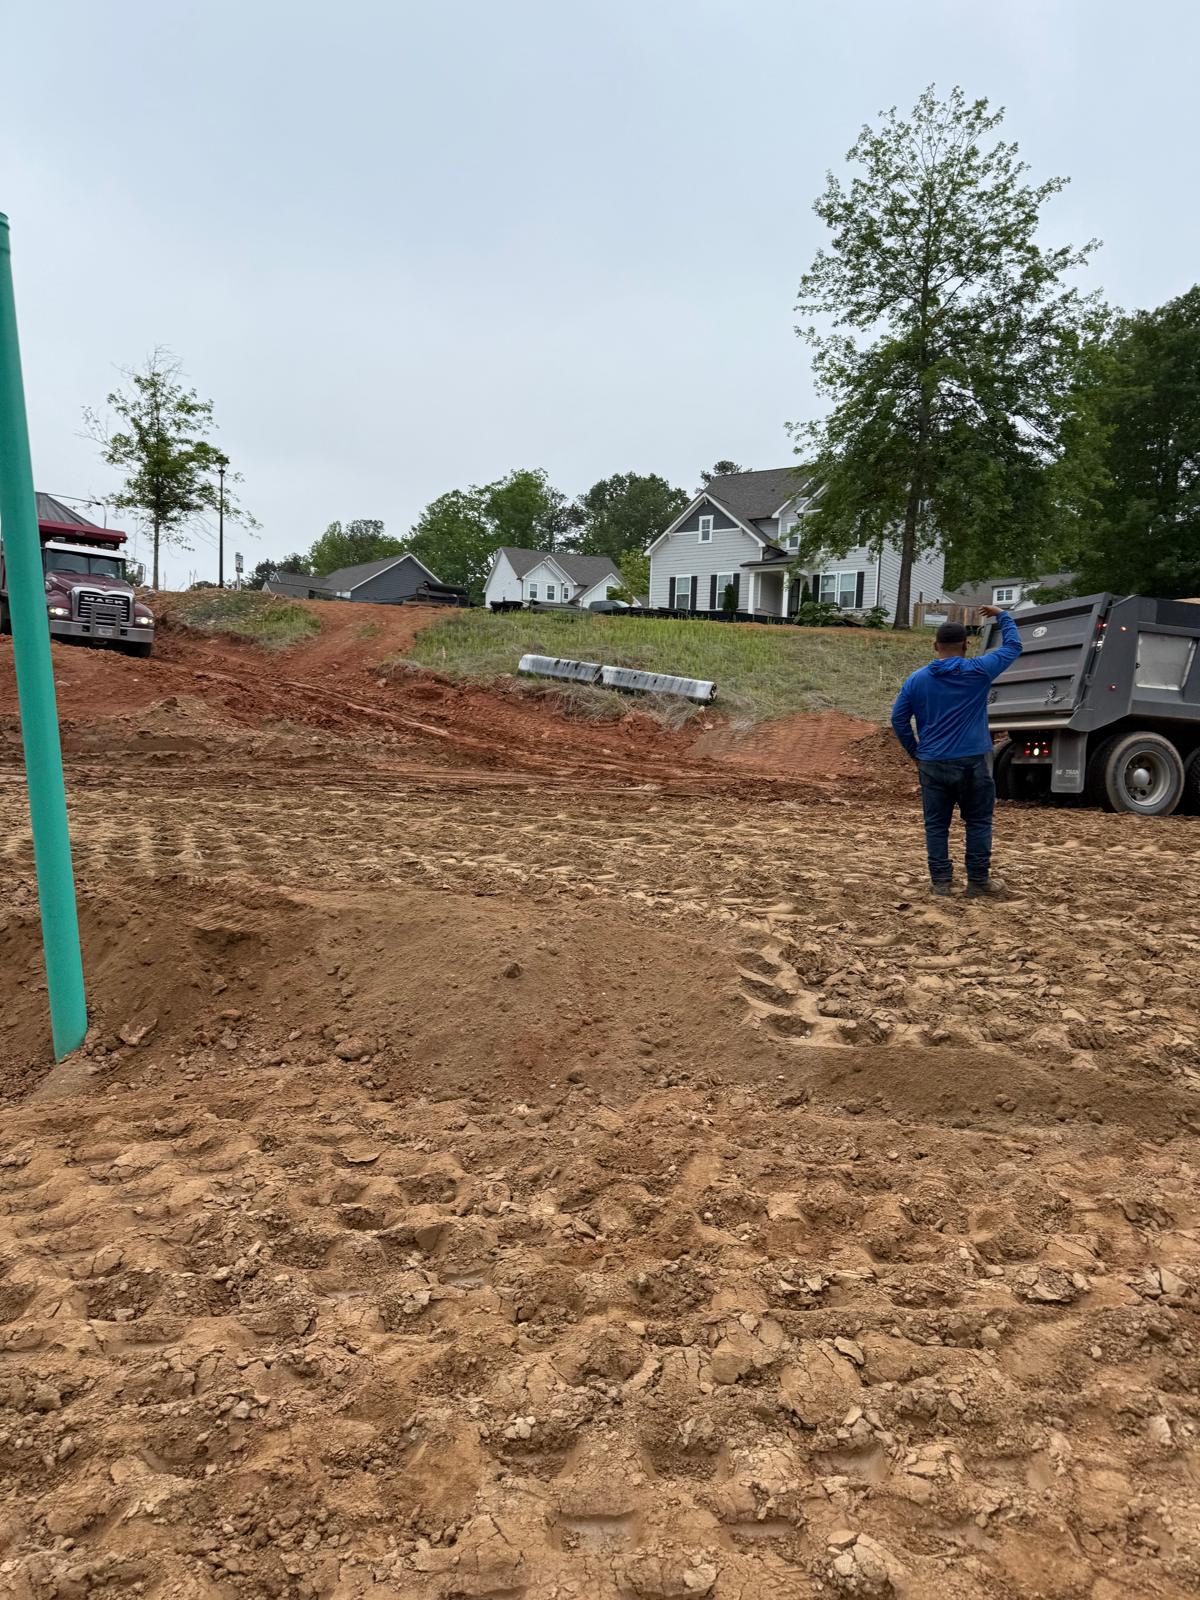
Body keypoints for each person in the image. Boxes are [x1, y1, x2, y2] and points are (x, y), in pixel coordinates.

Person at [890, 605, 1023, 897]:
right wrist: (1002, 615)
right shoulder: (980, 670)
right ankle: (978, 882)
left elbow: (898, 719)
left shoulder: (916, 680)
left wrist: (915, 752)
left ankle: (941, 883)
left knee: (936, 825)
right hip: (974, 760)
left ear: (935, 645)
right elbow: (1014, 646)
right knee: (978, 822)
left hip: (933, 761)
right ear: (965, 645)